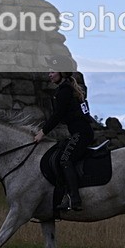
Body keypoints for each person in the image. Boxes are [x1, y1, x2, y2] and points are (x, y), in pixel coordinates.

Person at [34, 55, 92, 211]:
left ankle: (74, 199)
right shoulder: (68, 88)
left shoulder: (64, 91)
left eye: (52, 71)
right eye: (49, 72)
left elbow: (57, 115)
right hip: (80, 133)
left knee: (65, 159)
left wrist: (42, 132)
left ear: (62, 73)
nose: (49, 74)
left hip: (81, 133)